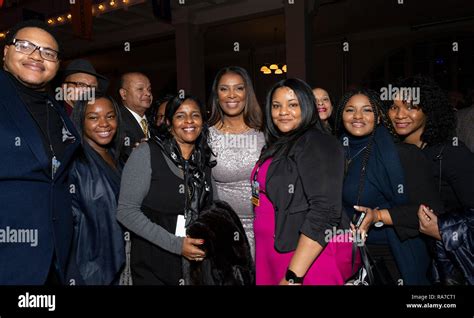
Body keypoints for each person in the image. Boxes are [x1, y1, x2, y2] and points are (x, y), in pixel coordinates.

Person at [252, 78, 355, 285]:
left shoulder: (318, 142)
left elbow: (325, 212)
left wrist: (293, 277)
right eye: (276, 105)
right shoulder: (280, 143)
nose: (283, 112)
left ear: (307, 106)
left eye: (293, 105)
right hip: (274, 252)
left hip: (305, 260)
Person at [334, 88, 442, 285]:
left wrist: (379, 216)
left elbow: (431, 212)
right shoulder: (337, 151)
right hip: (346, 254)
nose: (358, 116)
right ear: (341, 115)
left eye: (367, 110)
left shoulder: (404, 155)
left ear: (378, 118)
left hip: (391, 258)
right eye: (350, 110)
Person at [0, 20, 80, 284]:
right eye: (25, 46)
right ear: (5, 52)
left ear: (56, 65)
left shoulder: (55, 109)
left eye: (48, 52)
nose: (36, 56)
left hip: (55, 258)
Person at [116, 95, 214, 285]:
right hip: (154, 266)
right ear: (168, 123)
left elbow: (211, 208)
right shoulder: (146, 153)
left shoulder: (203, 159)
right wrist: (177, 245)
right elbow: (126, 212)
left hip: (196, 268)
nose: (189, 121)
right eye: (180, 116)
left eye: (195, 115)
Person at [387, 75, 474, 215]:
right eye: (393, 107)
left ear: (428, 109)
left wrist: (441, 227)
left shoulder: (452, 153)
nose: (399, 115)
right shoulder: (390, 152)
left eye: (410, 107)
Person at [207, 66, 265, 259]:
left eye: (239, 88)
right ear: (216, 95)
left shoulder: (266, 132)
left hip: (265, 227)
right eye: (224, 89)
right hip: (224, 230)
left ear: (247, 92)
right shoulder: (206, 136)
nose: (231, 95)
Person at [67, 96, 125, 285]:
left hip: (121, 263)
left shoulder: (119, 159)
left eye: (110, 116)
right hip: (91, 269)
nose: (104, 124)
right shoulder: (74, 165)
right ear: (80, 121)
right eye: (93, 117)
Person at [118, 72, 153, 163]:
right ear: (124, 94)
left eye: (149, 89)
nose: (148, 93)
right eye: (140, 89)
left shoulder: (153, 120)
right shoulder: (117, 121)